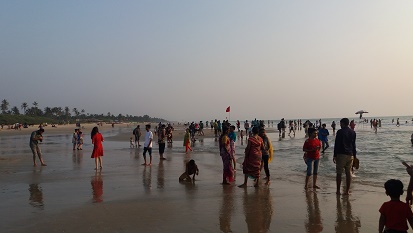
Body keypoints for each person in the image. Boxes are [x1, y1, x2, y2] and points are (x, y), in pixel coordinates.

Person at [333, 118, 357, 195]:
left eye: (340, 123)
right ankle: (347, 191)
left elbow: (337, 144)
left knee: (339, 173)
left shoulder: (340, 132)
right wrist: (354, 155)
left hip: (341, 154)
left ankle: (338, 190)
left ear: (342, 123)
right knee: (348, 173)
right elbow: (354, 145)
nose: (340, 125)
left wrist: (335, 155)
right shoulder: (353, 132)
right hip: (350, 154)